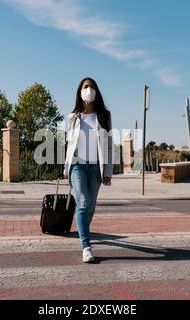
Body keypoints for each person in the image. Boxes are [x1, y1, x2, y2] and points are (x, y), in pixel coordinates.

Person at [62, 77, 114, 263]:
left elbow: (109, 144)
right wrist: (66, 167)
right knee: (83, 203)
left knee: (90, 206)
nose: (89, 89)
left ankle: (84, 231)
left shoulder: (104, 116)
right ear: (80, 91)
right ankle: (86, 247)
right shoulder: (73, 117)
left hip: (96, 168)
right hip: (77, 166)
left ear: (96, 91)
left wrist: (108, 171)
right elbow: (69, 144)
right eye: (86, 87)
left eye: (92, 86)